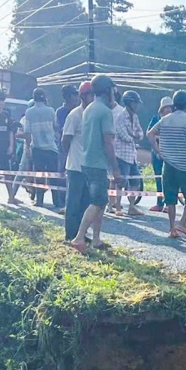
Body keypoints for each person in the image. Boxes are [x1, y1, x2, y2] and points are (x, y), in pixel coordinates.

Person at [71, 75, 122, 254]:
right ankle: (79, 237)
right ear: (107, 90)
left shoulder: (90, 108)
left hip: (86, 161)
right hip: (98, 163)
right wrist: (116, 169)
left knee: (100, 202)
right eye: (112, 90)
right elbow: (108, 142)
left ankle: (97, 239)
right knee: (97, 202)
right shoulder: (105, 111)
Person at [149, 89, 186, 241]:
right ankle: (183, 222)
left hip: (168, 165)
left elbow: (150, 134)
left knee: (170, 198)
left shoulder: (165, 120)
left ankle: (172, 228)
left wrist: (158, 151)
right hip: (185, 166)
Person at [61, 81, 94, 242]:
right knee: (73, 203)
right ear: (83, 96)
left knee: (85, 202)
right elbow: (65, 139)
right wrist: (69, 157)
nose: (93, 98)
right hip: (75, 166)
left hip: (89, 165)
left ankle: (81, 234)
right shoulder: (74, 115)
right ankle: (70, 235)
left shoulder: (93, 115)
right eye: (90, 95)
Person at [20, 88, 60, 208]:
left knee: (39, 175)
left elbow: (27, 132)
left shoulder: (29, 112)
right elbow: (55, 126)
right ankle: (56, 201)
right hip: (51, 148)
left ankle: (39, 200)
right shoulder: (51, 110)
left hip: (37, 148)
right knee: (53, 175)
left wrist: (28, 147)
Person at [110, 90, 146, 216]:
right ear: (129, 103)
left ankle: (131, 207)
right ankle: (118, 207)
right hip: (121, 155)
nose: (137, 105)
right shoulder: (120, 117)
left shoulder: (135, 117)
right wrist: (134, 135)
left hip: (132, 154)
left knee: (135, 181)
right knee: (121, 182)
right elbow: (124, 136)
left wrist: (134, 135)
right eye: (135, 103)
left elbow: (141, 133)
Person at [53, 85, 81, 211]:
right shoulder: (61, 112)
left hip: (78, 148)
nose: (76, 98)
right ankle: (62, 202)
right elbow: (62, 130)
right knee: (63, 175)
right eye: (74, 95)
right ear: (68, 96)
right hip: (64, 147)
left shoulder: (81, 111)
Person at [149, 96, 172, 213]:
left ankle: (169, 204)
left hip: (170, 153)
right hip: (157, 152)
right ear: (162, 109)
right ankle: (159, 203)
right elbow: (150, 134)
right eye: (166, 107)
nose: (168, 109)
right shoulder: (156, 119)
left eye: (170, 107)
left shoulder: (174, 120)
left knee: (169, 179)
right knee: (158, 177)